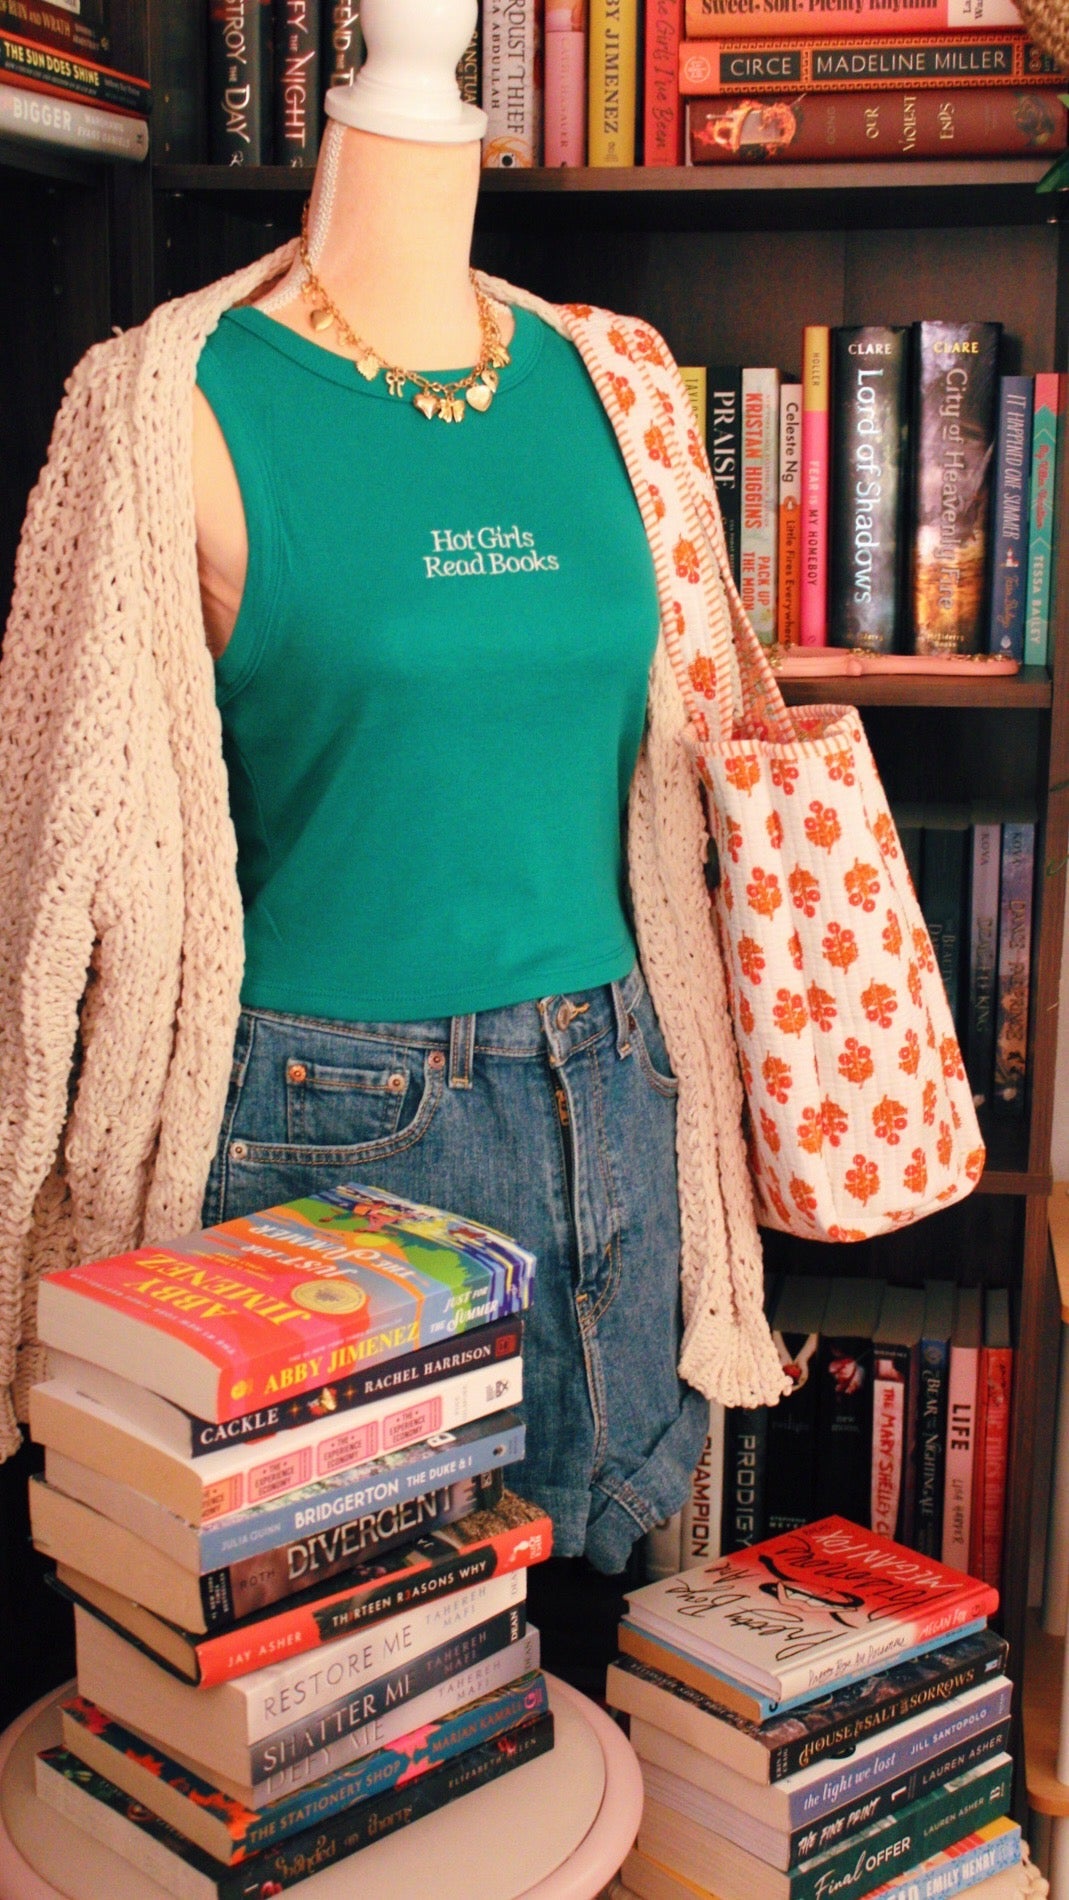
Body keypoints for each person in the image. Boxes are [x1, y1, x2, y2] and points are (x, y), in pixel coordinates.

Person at [0, 0, 786, 1686]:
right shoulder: (162, 404)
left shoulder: (622, 386)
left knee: (585, 1650)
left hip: (623, 1096)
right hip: (322, 1140)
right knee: (328, 1692)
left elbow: (696, 752)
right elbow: (50, 852)